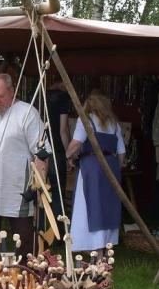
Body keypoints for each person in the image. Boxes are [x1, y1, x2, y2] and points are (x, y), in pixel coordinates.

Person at [0, 73, 48, 259]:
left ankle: (25, 273)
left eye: (1, 96)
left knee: (24, 238)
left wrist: (38, 186)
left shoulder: (27, 113)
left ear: (12, 91)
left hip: (17, 189)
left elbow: (42, 153)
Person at [66, 91, 126, 251]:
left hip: (92, 168)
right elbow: (121, 153)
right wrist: (116, 168)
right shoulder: (114, 124)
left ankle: (92, 246)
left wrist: (67, 156)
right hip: (111, 167)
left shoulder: (85, 120)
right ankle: (105, 246)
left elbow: (76, 143)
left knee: (89, 205)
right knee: (107, 206)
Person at [45, 79, 72, 220]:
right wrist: (69, 154)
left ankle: (41, 228)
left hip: (39, 148)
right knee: (58, 191)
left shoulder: (38, 95)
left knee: (40, 190)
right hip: (56, 149)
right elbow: (63, 130)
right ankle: (59, 227)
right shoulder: (62, 97)